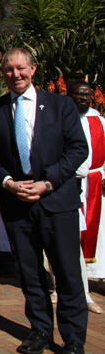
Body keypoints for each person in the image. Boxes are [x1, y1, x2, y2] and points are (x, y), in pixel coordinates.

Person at [0, 48, 88, 354]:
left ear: (33, 69)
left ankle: (74, 338)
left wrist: (47, 182)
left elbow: (78, 149)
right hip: (17, 205)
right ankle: (40, 330)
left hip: (57, 201)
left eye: (21, 68)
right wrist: (8, 183)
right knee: (29, 273)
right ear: (3, 73)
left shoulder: (60, 105)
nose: (16, 75)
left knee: (67, 272)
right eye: (9, 70)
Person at [69, 81, 104, 313]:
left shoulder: (99, 121)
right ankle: (60, 288)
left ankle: (86, 292)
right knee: (69, 239)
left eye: (87, 95)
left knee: (95, 236)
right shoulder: (63, 116)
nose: (84, 98)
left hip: (95, 184)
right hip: (68, 184)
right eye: (79, 94)